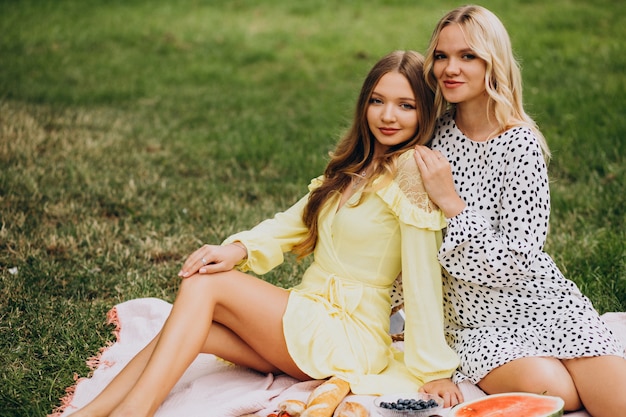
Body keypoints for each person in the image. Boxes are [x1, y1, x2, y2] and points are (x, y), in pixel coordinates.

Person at [70, 50, 463, 417]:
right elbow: (293, 221)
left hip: (349, 333)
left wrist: (434, 369)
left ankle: (131, 413)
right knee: (193, 327)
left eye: (406, 105)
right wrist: (240, 248)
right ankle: (90, 413)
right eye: (378, 101)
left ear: (424, 112)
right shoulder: (355, 163)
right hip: (312, 314)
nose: (387, 115)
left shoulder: (412, 169)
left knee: (207, 285)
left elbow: (421, 274)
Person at [412, 5, 626, 417]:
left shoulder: (519, 144)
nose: (449, 69)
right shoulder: (431, 135)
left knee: (617, 402)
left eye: (467, 56)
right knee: (557, 393)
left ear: (493, 62)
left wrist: (452, 204)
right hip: (474, 320)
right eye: (441, 56)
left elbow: (519, 259)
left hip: (542, 302)